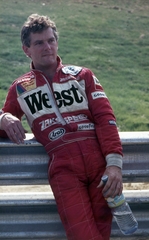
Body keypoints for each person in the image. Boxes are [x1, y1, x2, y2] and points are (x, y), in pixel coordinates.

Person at [0, 14, 123, 240]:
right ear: (26, 49)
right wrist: (3, 118)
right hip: (64, 169)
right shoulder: (20, 89)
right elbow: (3, 125)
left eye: (51, 40)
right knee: (83, 235)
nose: (47, 47)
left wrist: (114, 165)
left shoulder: (82, 75)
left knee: (101, 234)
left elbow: (105, 118)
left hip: (99, 165)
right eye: (39, 43)